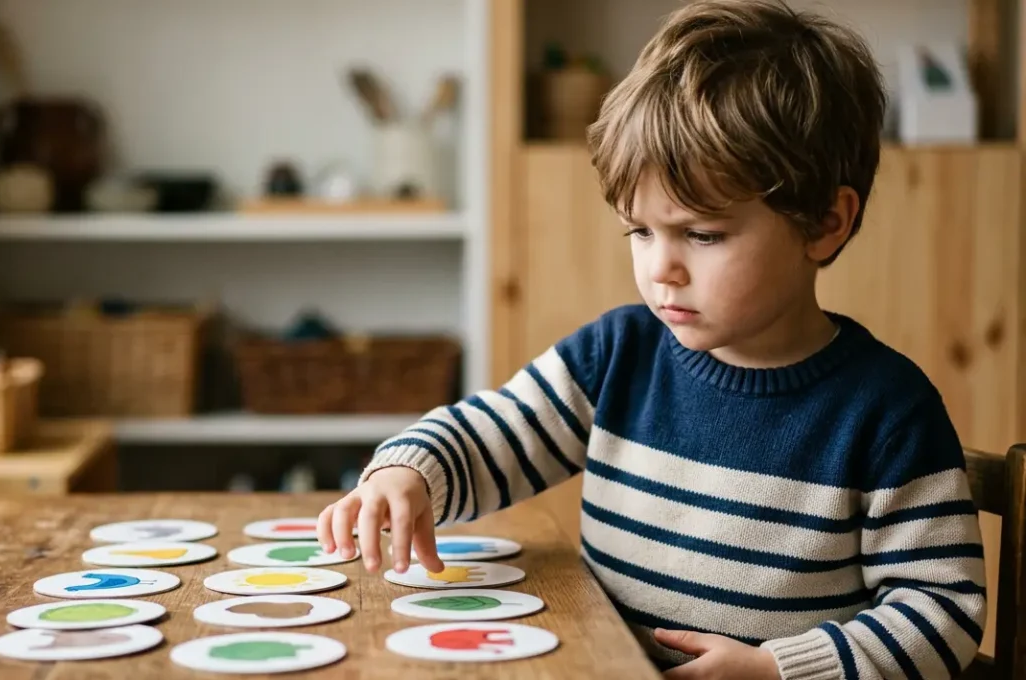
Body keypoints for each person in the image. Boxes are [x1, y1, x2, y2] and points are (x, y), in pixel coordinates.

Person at [315, 1, 988, 678]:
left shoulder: (886, 410)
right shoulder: (619, 354)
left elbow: (942, 613)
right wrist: (412, 470)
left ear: (824, 224)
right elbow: (497, 432)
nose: (660, 268)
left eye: (702, 234)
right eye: (640, 231)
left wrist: (776, 669)